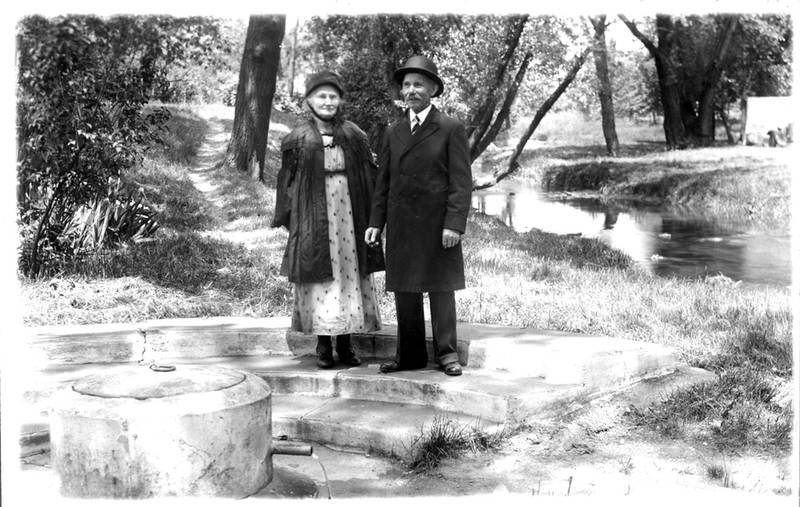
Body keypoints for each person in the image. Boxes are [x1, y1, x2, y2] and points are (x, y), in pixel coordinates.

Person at [365, 55, 472, 377]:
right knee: (405, 290)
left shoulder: (450, 128)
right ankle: (409, 355)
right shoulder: (393, 131)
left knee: (441, 289)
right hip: (402, 223)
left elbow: (461, 182)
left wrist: (454, 224)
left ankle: (447, 354)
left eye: (419, 85)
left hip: (437, 225)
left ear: (433, 89)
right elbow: (384, 181)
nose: (411, 90)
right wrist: (375, 222)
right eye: (407, 85)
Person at [272, 70, 384, 369]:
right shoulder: (297, 139)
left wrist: (373, 216)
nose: (327, 101)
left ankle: (345, 344)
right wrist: (293, 219)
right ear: (308, 100)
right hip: (314, 215)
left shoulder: (353, 134)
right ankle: (323, 345)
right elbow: (287, 183)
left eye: (333, 96)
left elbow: (368, 176)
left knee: (348, 273)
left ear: (341, 100)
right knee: (321, 276)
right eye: (321, 95)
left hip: (349, 213)